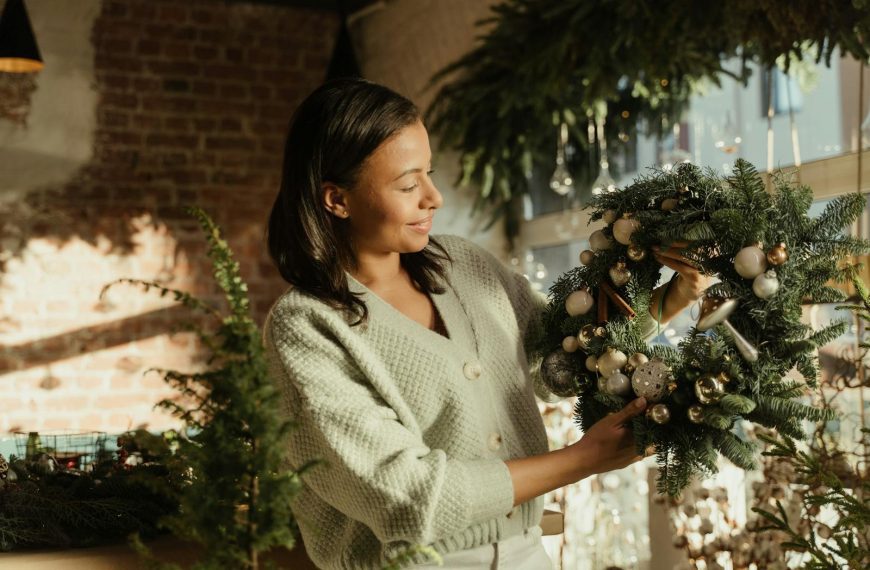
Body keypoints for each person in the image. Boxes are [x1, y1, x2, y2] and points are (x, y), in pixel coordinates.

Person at [263, 78, 707, 570]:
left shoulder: (464, 265)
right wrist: (583, 460)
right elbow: (405, 497)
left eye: (428, 175)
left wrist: (674, 297)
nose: (433, 197)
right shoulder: (305, 327)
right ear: (336, 200)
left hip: (527, 554)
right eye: (408, 184)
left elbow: (558, 359)